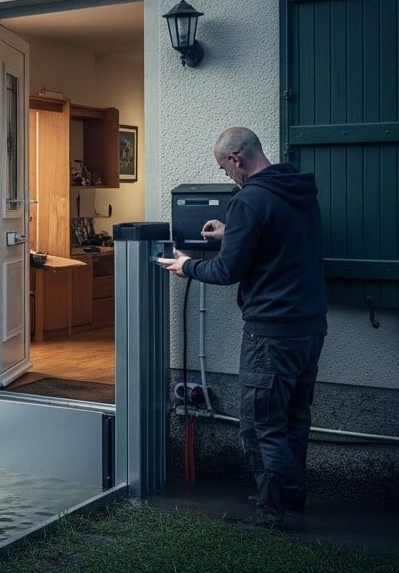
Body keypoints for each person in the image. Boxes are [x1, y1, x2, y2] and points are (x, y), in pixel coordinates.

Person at [156, 127, 327, 530]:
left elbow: (229, 270)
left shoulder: (249, 200)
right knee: (292, 419)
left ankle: (271, 513)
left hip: (270, 332)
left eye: (223, 167)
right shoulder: (297, 189)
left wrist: (188, 266)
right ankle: (290, 500)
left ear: (235, 159)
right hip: (310, 328)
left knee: (259, 425)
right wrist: (231, 233)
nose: (227, 175)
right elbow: (279, 241)